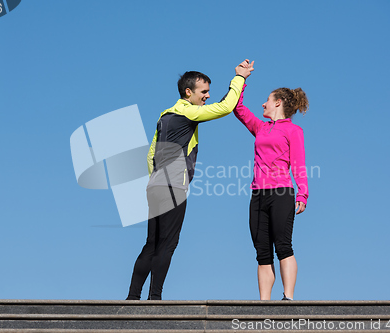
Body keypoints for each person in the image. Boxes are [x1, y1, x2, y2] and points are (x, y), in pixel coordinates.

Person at [126, 60, 255, 300]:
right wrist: (240, 78)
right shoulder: (188, 113)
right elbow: (225, 107)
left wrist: (155, 180)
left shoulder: (165, 116)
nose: (207, 96)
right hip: (173, 186)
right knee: (167, 243)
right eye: (203, 92)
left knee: (151, 243)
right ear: (189, 92)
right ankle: (155, 298)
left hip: (155, 186)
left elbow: (151, 154)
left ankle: (132, 297)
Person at [233, 64, 309, 300]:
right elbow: (238, 108)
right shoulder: (260, 128)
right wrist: (240, 78)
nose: (263, 104)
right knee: (262, 252)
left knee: (283, 246)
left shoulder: (293, 131)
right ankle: (264, 304)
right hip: (258, 195)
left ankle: (288, 298)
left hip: (281, 193)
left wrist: (302, 193)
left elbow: (298, 164)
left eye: (267, 100)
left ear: (278, 103)